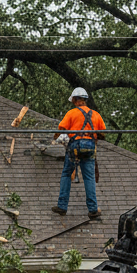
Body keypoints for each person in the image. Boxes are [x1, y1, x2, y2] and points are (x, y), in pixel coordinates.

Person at [51, 87, 105, 219]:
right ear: (85, 100)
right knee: (89, 177)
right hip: (90, 147)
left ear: (76, 100)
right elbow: (102, 134)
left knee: (66, 174)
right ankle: (93, 209)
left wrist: (55, 137)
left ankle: (62, 206)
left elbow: (61, 128)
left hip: (75, 146)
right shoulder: (96, 115)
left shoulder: (71, 113)